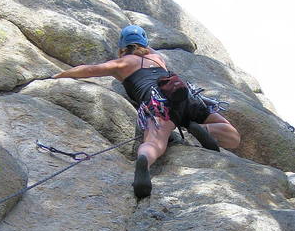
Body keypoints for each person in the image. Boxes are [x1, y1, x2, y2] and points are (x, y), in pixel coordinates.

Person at [52, 25, 240, 198]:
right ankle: (203, 130)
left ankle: (144, 161)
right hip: (185, 97)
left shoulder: (121, 64)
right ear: (144, 43)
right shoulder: (157, 58)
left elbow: (89, 70)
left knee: (154, 144)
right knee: (232, 135)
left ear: (122, 46)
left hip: (158, 105)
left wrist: (60, 74)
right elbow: (150, 50)